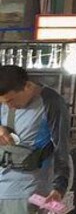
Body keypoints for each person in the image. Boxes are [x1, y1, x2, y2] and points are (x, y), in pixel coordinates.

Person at [0, 66, 71, 214]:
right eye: (4, 103)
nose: (9, 106)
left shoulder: (51, 102)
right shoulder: (4, 98)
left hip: (29, 188)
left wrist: (59, 187)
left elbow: (61, 148)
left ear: (28, 86)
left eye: (11, 100)